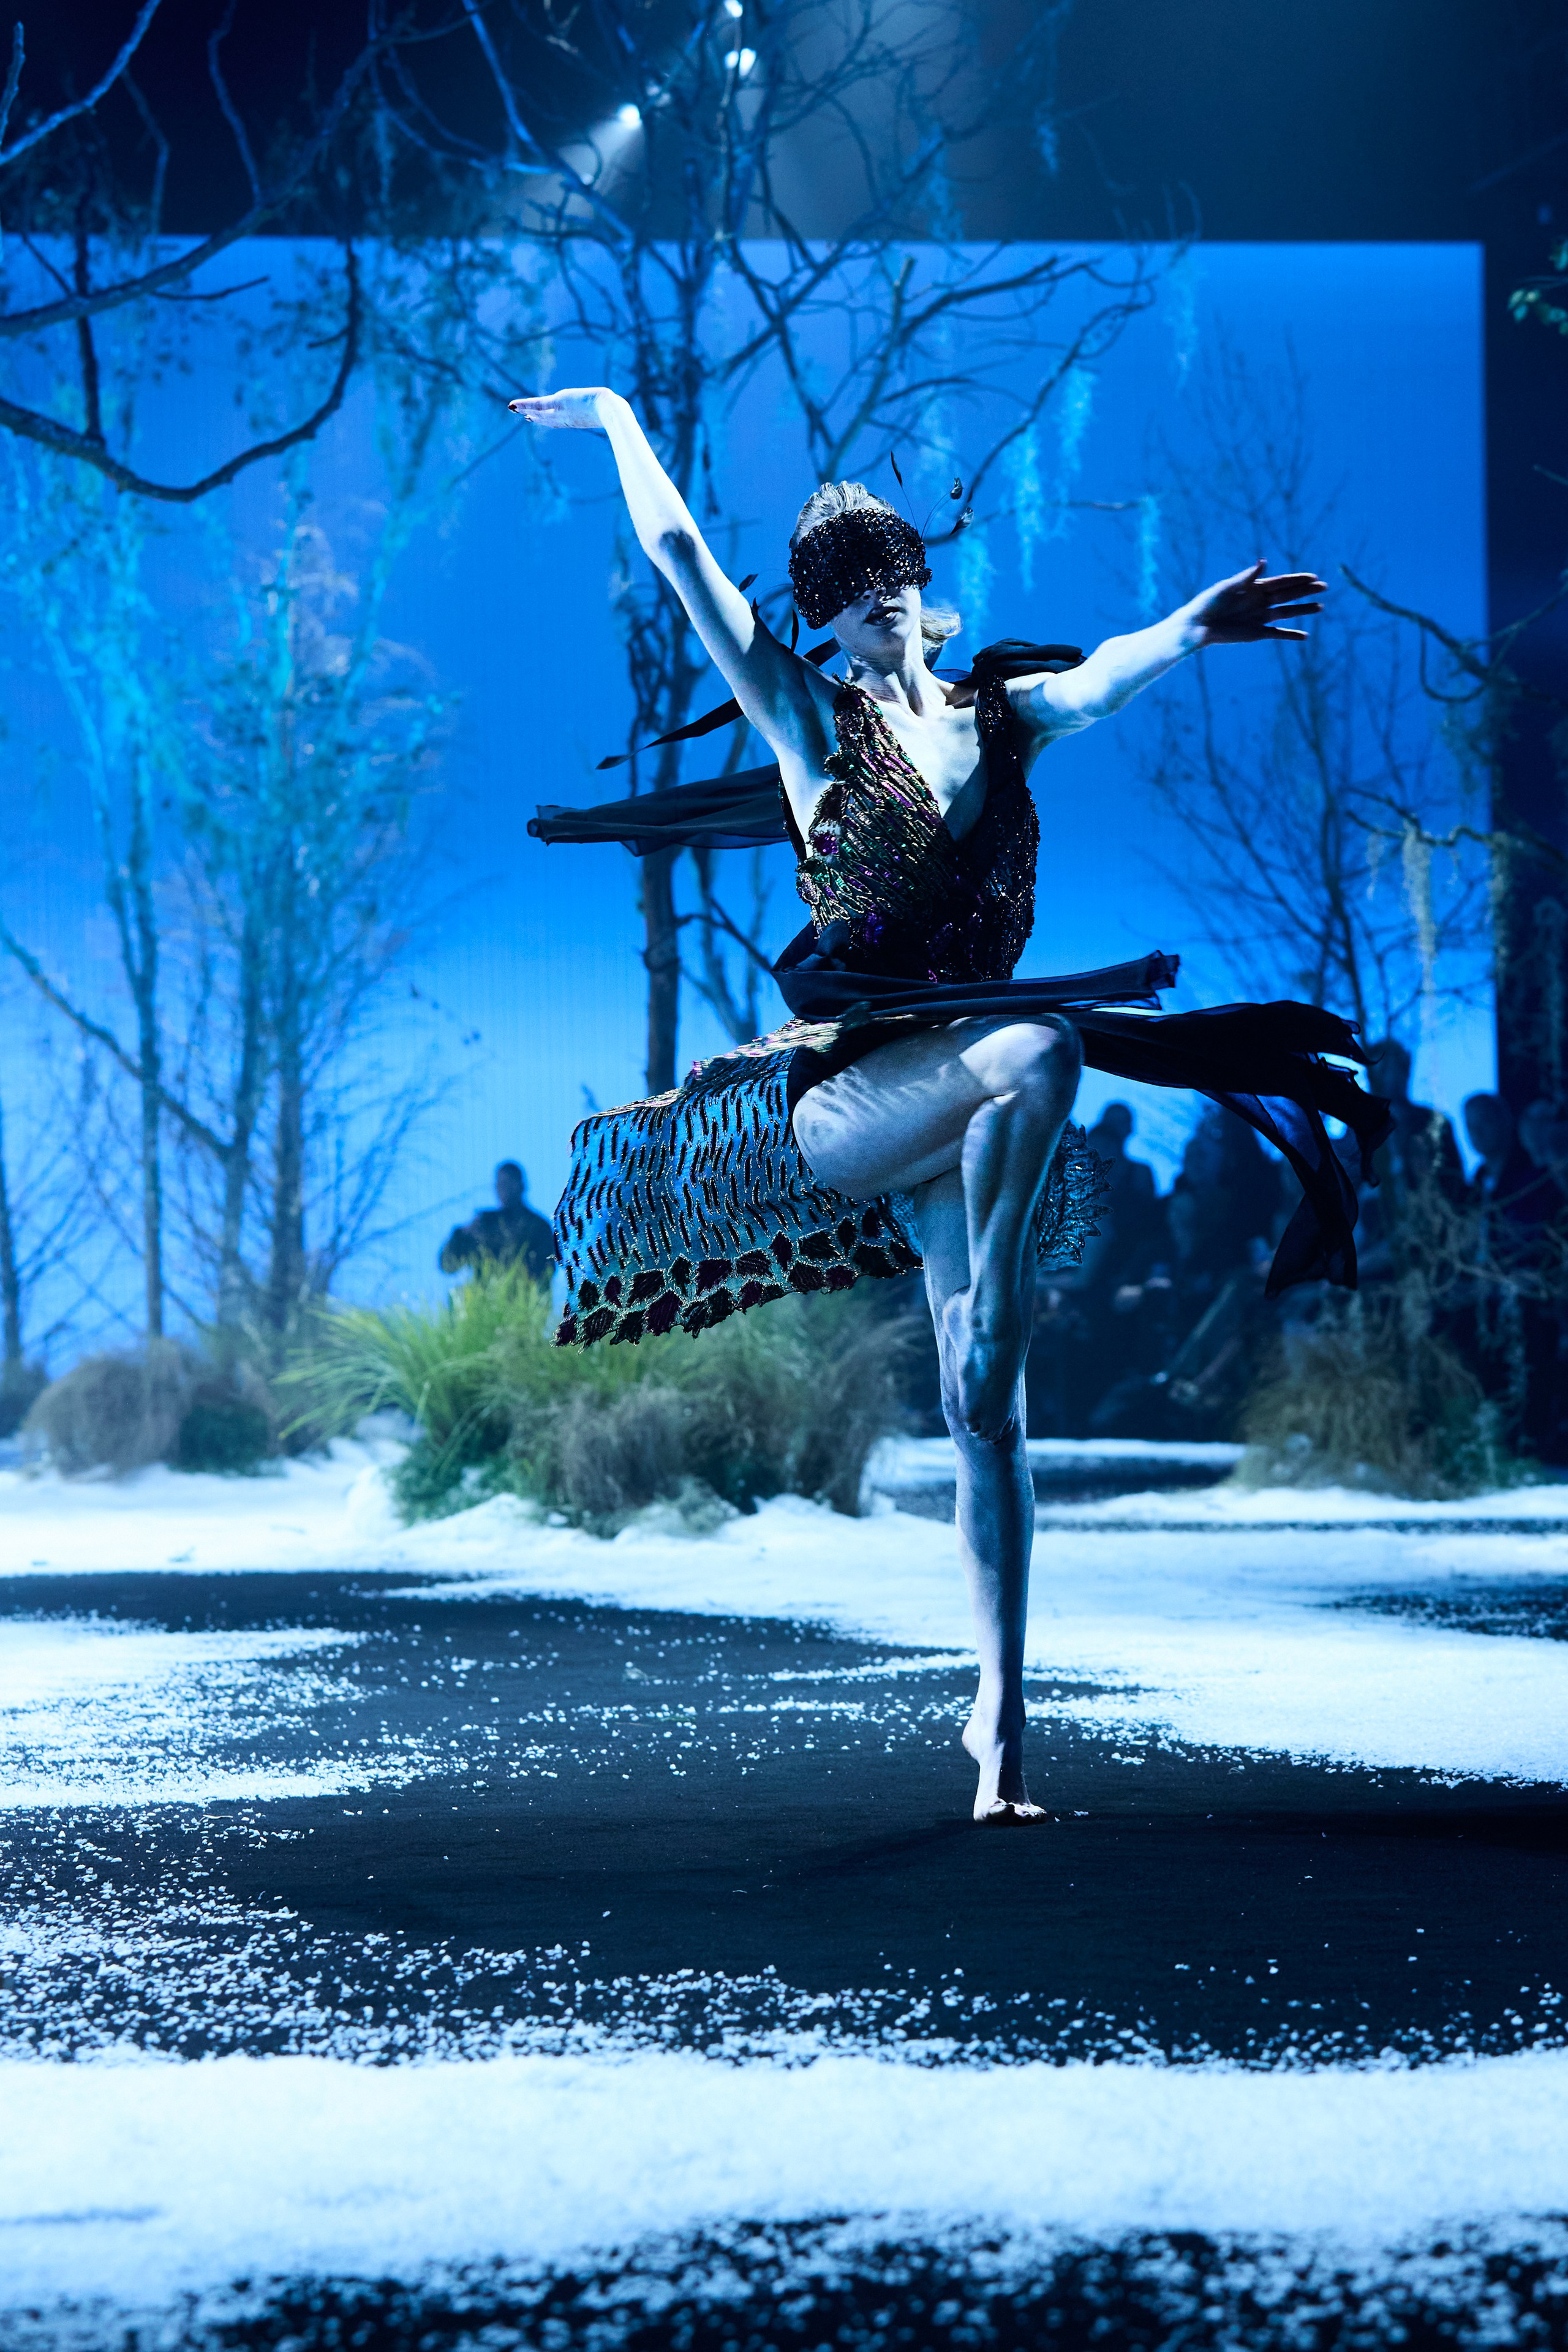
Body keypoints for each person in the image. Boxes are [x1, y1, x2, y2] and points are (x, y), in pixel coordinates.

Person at [514, 383, 1390, 1822]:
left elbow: (1102, 672)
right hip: (853, 1103)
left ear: (918, 593)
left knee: (994, 1427)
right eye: (844, 595)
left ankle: (998, 1729)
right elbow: (682, 562)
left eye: (889, 581)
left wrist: (1187, 628)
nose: (874, 607)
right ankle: (993, 1317)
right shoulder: (810, 728)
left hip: (963, 1116)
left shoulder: (1001, 720)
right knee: (1044, 1047)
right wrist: (615, 418)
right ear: (824, 622)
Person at [439, 1161, 555, 1282]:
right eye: (500, 1184)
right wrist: (463, 1235)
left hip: (523, 1297)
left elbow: (546, 1272)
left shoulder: (538, 1227)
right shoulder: (485, 1225)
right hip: (487, 1298)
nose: (504, 1189)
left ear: (521, 1186)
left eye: (509, 1183)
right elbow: (448, 1265)